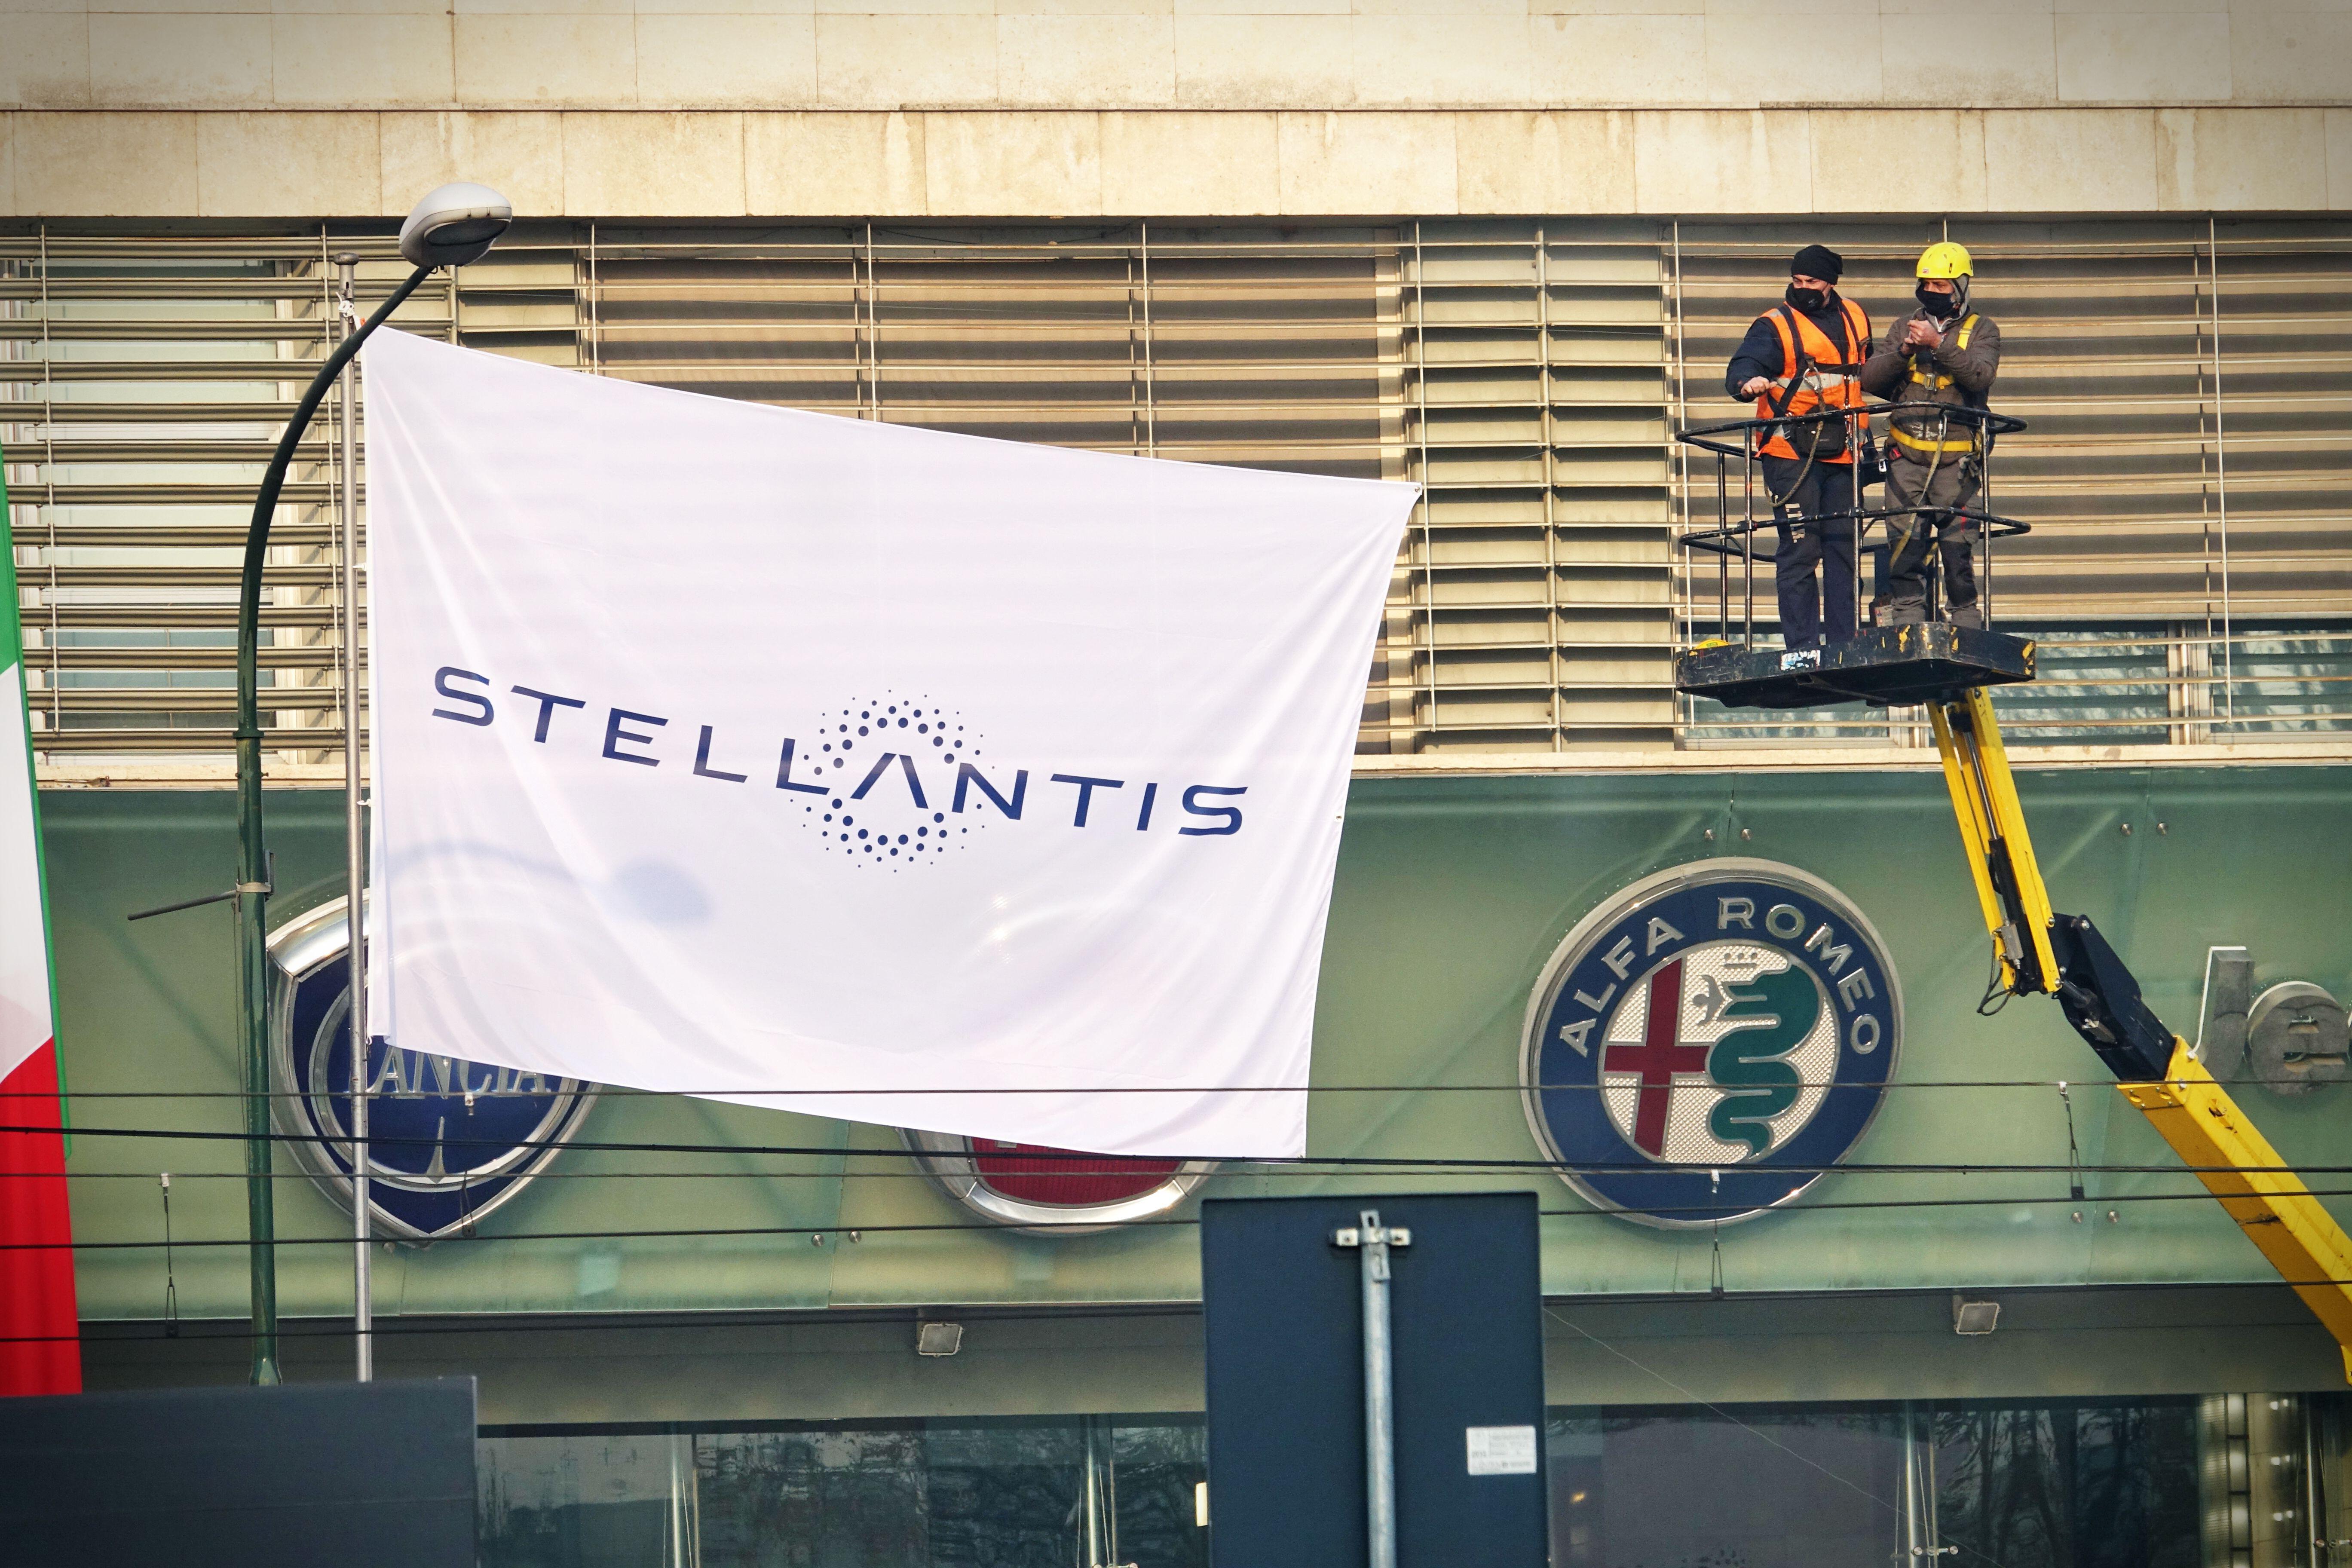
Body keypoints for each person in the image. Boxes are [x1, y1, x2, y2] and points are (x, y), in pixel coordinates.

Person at [1724, 244, 1874, 650]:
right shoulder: (1774, 325)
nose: (1802, 288)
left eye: (1811, 282)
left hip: (1845, 454)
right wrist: (1747, 383)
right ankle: (1803, 649)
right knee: (1801, 550)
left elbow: (1861, 377)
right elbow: (1742, 366)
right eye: (1797, 281)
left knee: (1844, 550)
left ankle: (1846, 645)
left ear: (1831, 283)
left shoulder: (1856, 317)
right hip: (1789, 454)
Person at [1862, 241, 2001, 628]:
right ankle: (1907, 625)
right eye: (1926, 285)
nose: (1932, 292)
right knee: (1904, 547)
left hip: (1957, 466)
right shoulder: (1903, 328)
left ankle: (1966, 624)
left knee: (1958, 553)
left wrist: (1938, 345)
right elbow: (1871, 379)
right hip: (1906, 461)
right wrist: (1905, 348)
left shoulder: (1983, 330)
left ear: (1960, 287)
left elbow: (1980, 375)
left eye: (1941, 286)